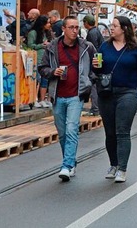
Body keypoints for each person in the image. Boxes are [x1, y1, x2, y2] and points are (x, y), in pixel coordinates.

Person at [39, 16, 97, 182]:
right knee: (63, 133)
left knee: (72, 129)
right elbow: (42, 68)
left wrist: (89, 80)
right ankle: (71, 161)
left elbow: (96, 67)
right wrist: (52, 72)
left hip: (76, 95)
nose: (74, 30)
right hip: (58, 95)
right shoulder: (52, 47)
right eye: (71, 27)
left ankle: (66, 166)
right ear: (63, 29)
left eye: (77, 27)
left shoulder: (86, 46)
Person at [92, 16, 137, 183]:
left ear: (124, 28)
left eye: (115, 25)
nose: (111, 28)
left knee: (122, 131)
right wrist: (96, 65)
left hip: (128, 93)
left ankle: (122, 168)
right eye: (111, 25)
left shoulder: (136, 48)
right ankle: (113, 164)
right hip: (106, 93)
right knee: (110, 132)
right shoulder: (105, 46)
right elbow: (99, 70)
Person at [25, 15, 53, 108]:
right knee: (36, 79)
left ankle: (42, 99)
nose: (49, 25)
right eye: (48, 23)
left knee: (44, 80)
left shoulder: (46, 33)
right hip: (36, 59)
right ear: (42, 24)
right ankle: (34, 99)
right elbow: (30, 45)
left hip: (45, 59)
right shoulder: (33, 33)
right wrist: (42, 45)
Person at [82, 15, 103, 116]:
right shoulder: (96, 30)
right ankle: (96, 107)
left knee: (94, 84)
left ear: (86, 23)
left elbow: (92, 48)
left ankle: (95, 108)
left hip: (95, 60)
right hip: (98, 59)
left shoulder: (92, 33)